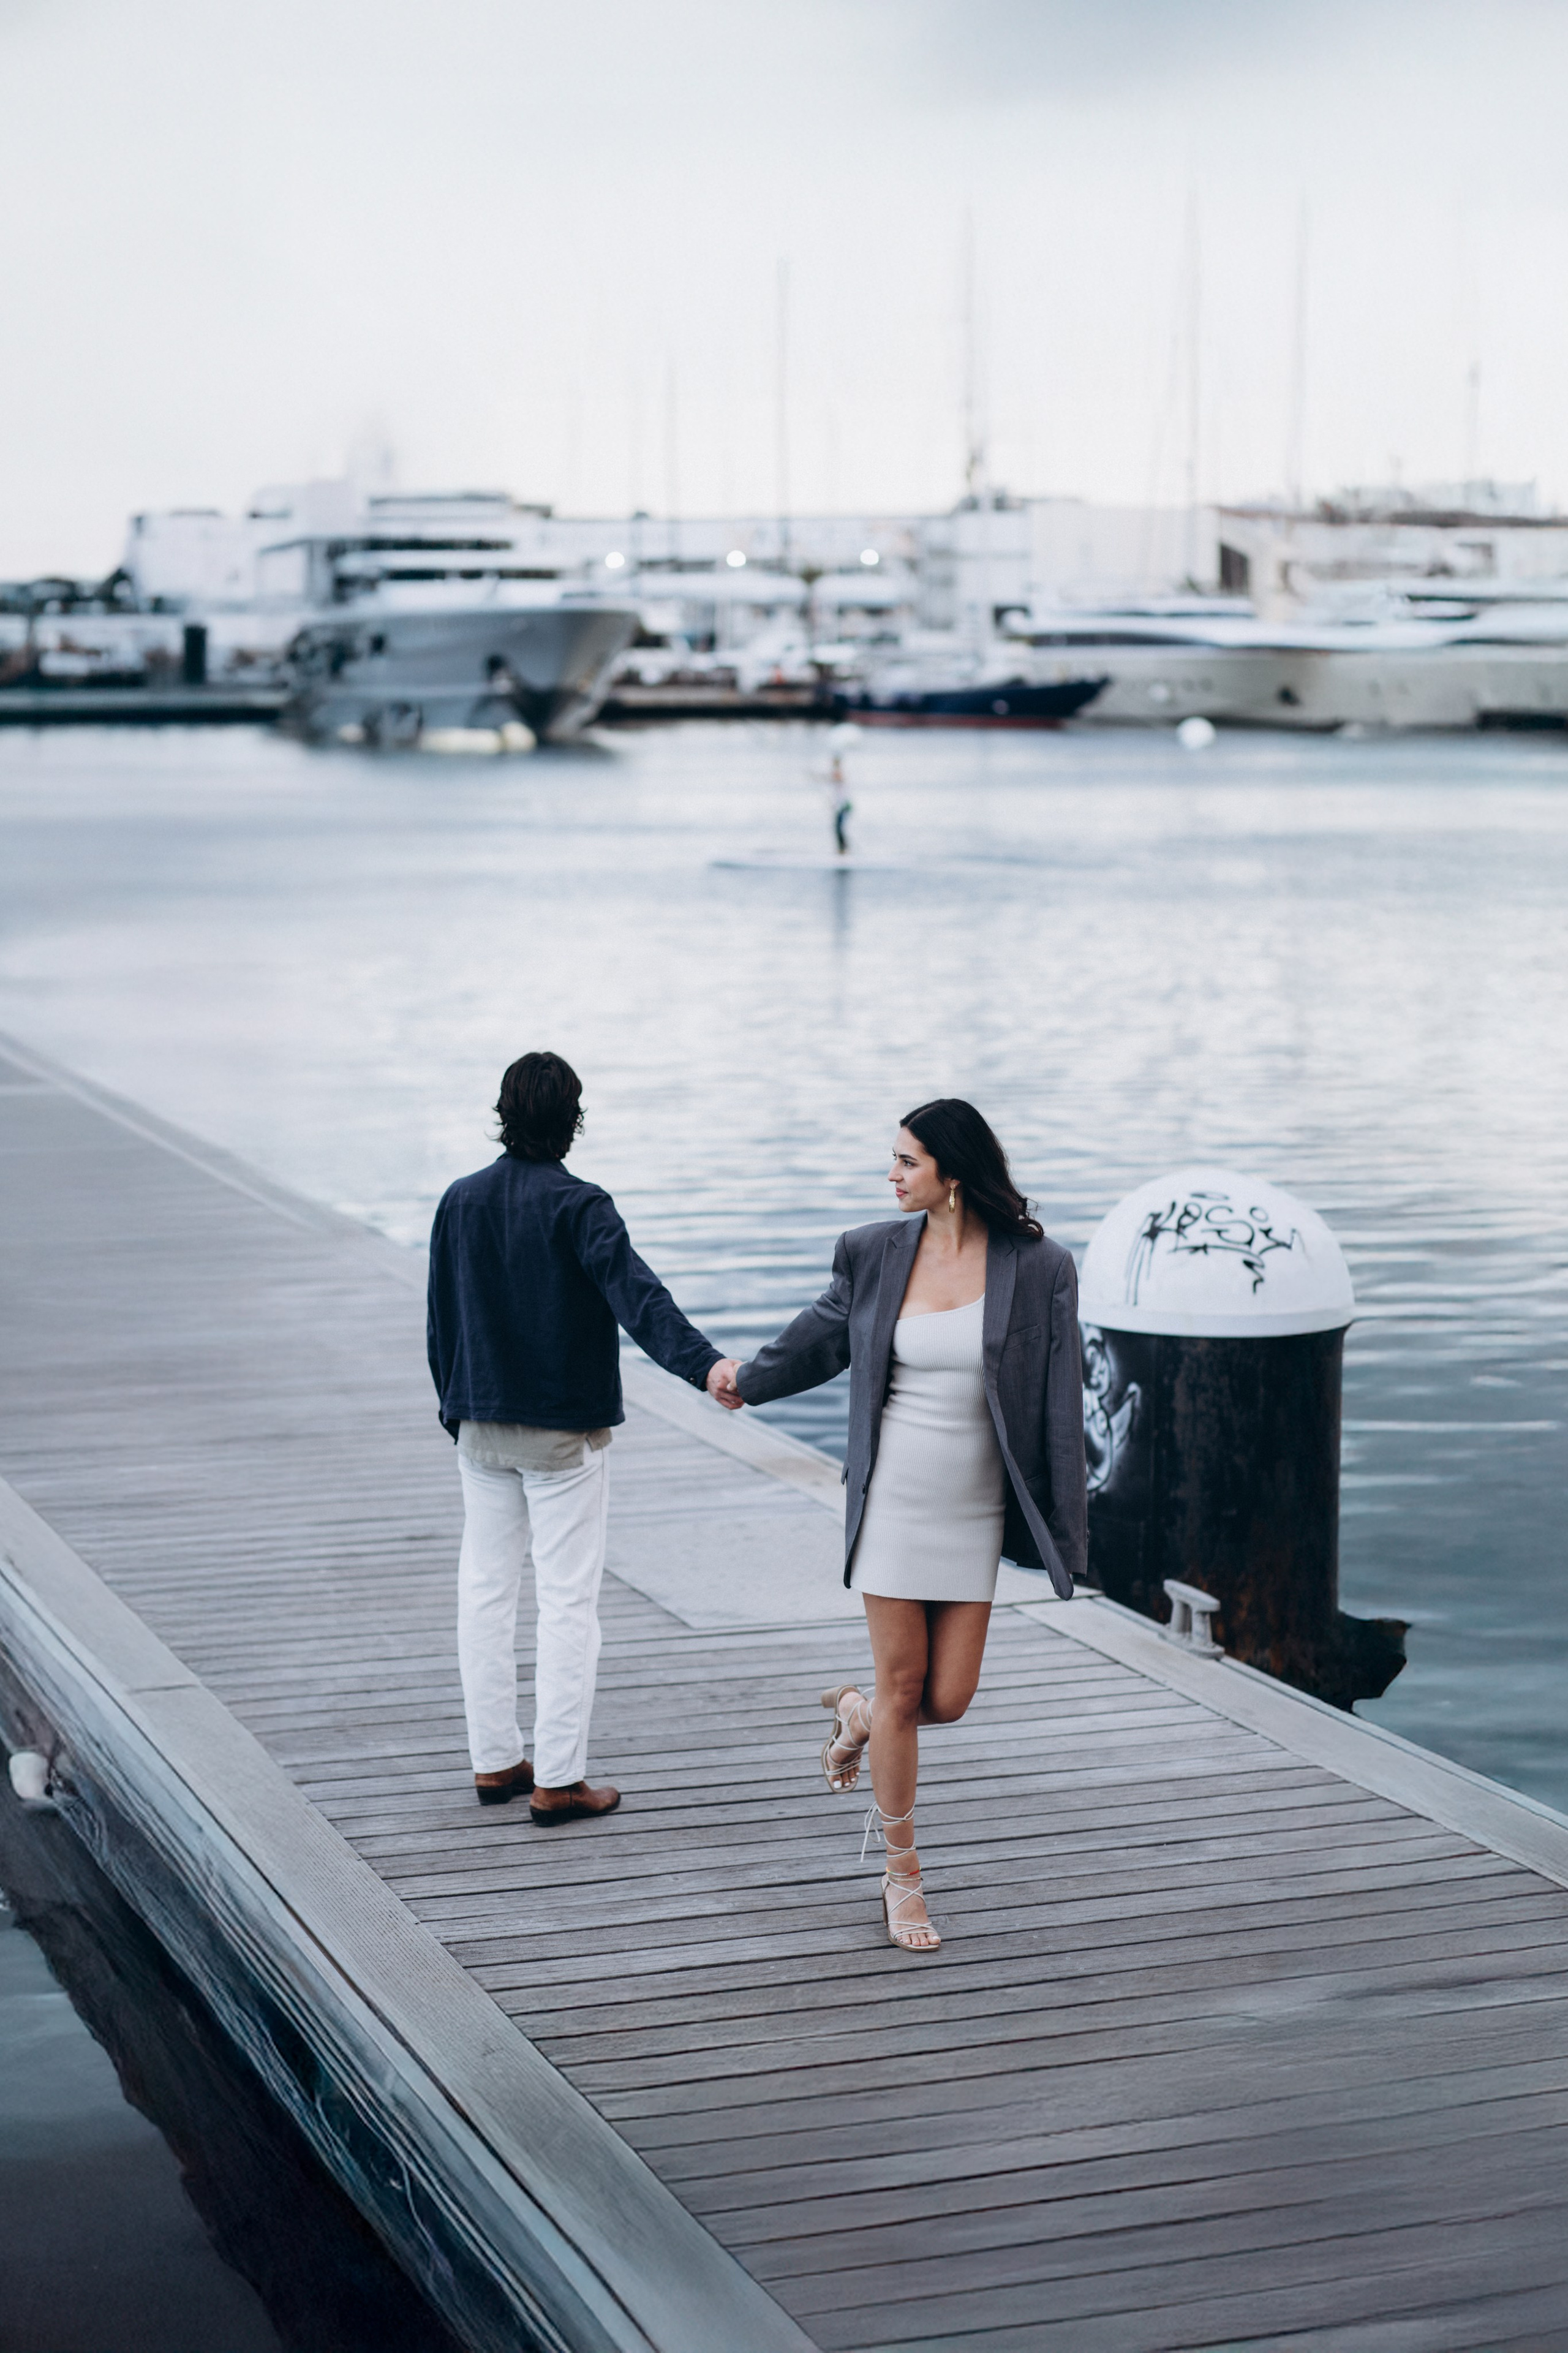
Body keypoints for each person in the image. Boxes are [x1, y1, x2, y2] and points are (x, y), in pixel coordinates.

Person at [722, 1100, 1086, 1949]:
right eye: (892, 1159)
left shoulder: (1040, 1267)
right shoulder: (873, 1251)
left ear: (953, 1174)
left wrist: (1069, 1531)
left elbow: (1062, 1405)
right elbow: (819, 1338)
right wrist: (749, 1379)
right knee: (904, 1689)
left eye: (907, 1162)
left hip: (976, 1510)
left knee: (944, 1699)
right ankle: (902, 1877)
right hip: (893, 1503)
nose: (891, 1175)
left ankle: (855, 1712)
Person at [427, 1052, 741, 1824]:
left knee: (485, 1591)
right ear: (573, 1118)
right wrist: (708, 1368)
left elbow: (439, 1320)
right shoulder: (581, 1205)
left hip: (478, 1424)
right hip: (560, 1434)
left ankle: (494, 1760)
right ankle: (558, 1779)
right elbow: (641, 1300)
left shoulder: (460, 1200)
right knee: (567, 1603)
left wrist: (456, 1408)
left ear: (503, 1113)